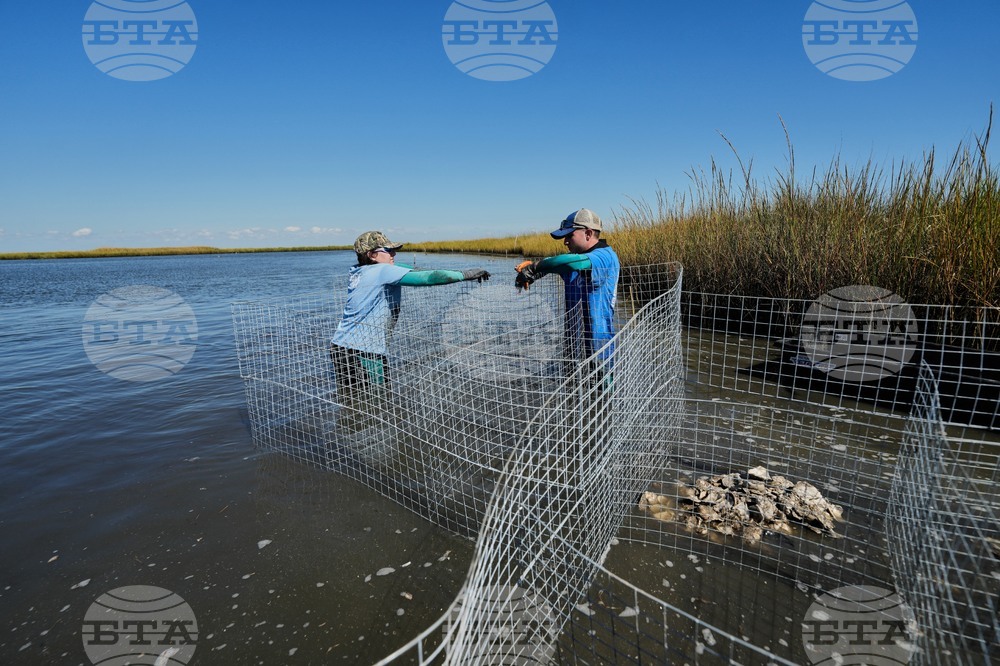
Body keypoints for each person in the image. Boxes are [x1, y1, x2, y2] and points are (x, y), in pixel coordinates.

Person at [331, 231, 490, 398]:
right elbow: (428, 278)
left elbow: (418, 271)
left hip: (340, 346)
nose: (394, 254)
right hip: (364, 351)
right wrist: (465, 275)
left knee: (351, 399)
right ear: (371, 255)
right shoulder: (382, 271)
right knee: (378, 399)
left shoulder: (359, 271)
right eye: (388, 250)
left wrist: (448, 273)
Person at [514, 208, 620, 368]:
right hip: (573, 346)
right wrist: (534, 272)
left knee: (602, 391)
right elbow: (560, 262)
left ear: (588, 234)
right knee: (572, 388)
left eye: (570, 235)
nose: (565, 241)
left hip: (599, 347)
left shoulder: (604, 257)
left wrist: (536, 267)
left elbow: (572, 262)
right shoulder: (574, 259)